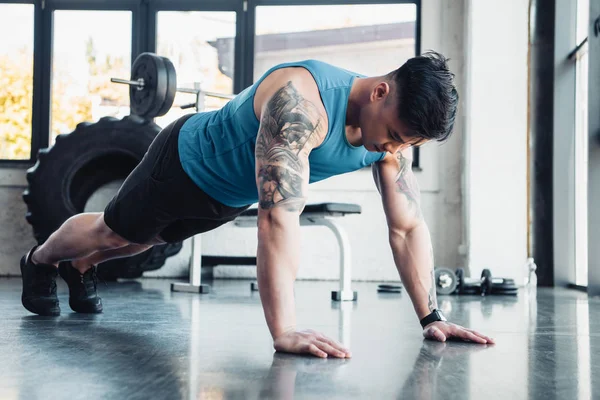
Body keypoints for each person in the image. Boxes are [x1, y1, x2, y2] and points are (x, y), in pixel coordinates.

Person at [20, 51, 494, 358]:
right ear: (380, 92)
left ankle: (79, 268)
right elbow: (279, 216)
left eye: (402, 143)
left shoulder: (390, 141)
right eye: (392, 136)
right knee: (113, 231)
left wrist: (433, 317)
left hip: (225, 195)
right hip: (181, 163)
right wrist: (284, 331)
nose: (391, 150)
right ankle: (40, 261)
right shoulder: (301, 101)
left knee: (139, 242)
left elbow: (407, 227)